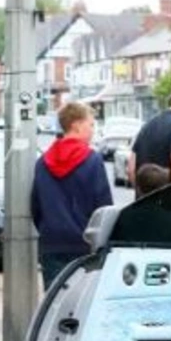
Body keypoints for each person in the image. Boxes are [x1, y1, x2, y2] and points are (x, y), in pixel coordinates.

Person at [31, 102, 113, 289]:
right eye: (90, 124)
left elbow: (35, 206)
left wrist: (47, 228)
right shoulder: (92, 160)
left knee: (54, 302)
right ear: (76, 125)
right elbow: (103, 206)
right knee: (82, 303)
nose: (93, 130)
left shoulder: (43, 162)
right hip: (85, 244)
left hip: (52, 242)